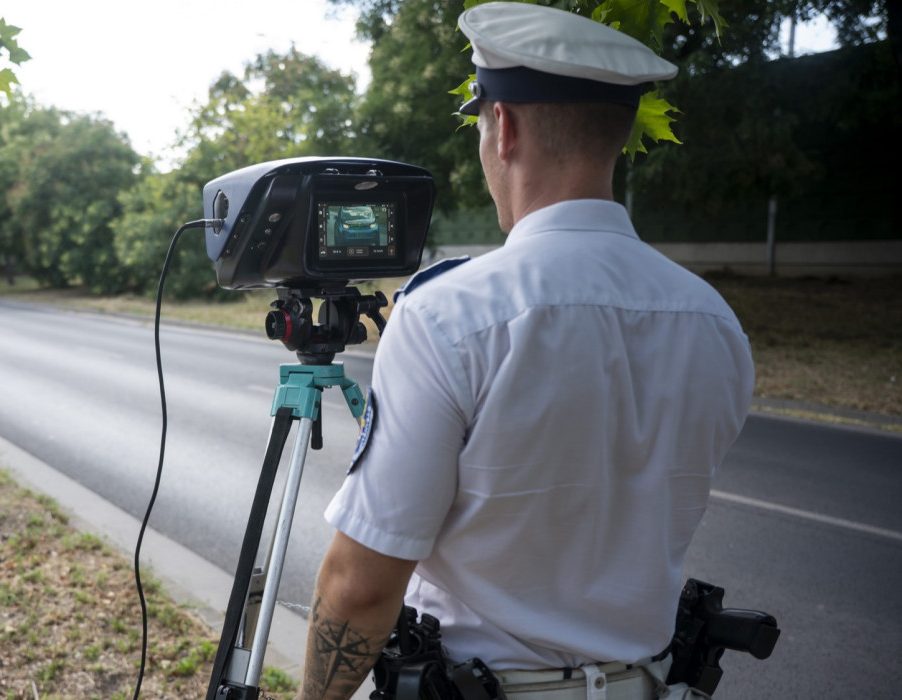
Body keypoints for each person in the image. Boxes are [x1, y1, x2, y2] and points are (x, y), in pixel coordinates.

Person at [295, 4, 755, 699]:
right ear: (618, 135)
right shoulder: (713, 320)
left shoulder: (449, 315)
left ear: (502, 128)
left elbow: (360, 586)